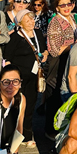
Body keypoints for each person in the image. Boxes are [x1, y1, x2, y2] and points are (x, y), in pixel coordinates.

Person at [3, 9, 48, 146]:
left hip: (34, 76)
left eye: (32, 19)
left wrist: (45, 55)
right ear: (20, 23)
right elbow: (8, 58)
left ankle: (26, 135)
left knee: (30, 105)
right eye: (27, 20)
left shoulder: (38, 33)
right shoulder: (15, 37)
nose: (31, 22)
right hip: (18, 78)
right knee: (16, 105)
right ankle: (11, 134)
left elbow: (44, 49)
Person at [45, 0, 77, 139]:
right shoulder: (55, 22)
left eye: (69, 4)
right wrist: (74, 46)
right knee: (55, 96)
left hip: (70, 60)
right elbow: (54, 50)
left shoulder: (72, 18)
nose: (66, 7)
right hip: (59, 62)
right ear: (56, 8)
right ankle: (50, 130)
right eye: (62, 5)